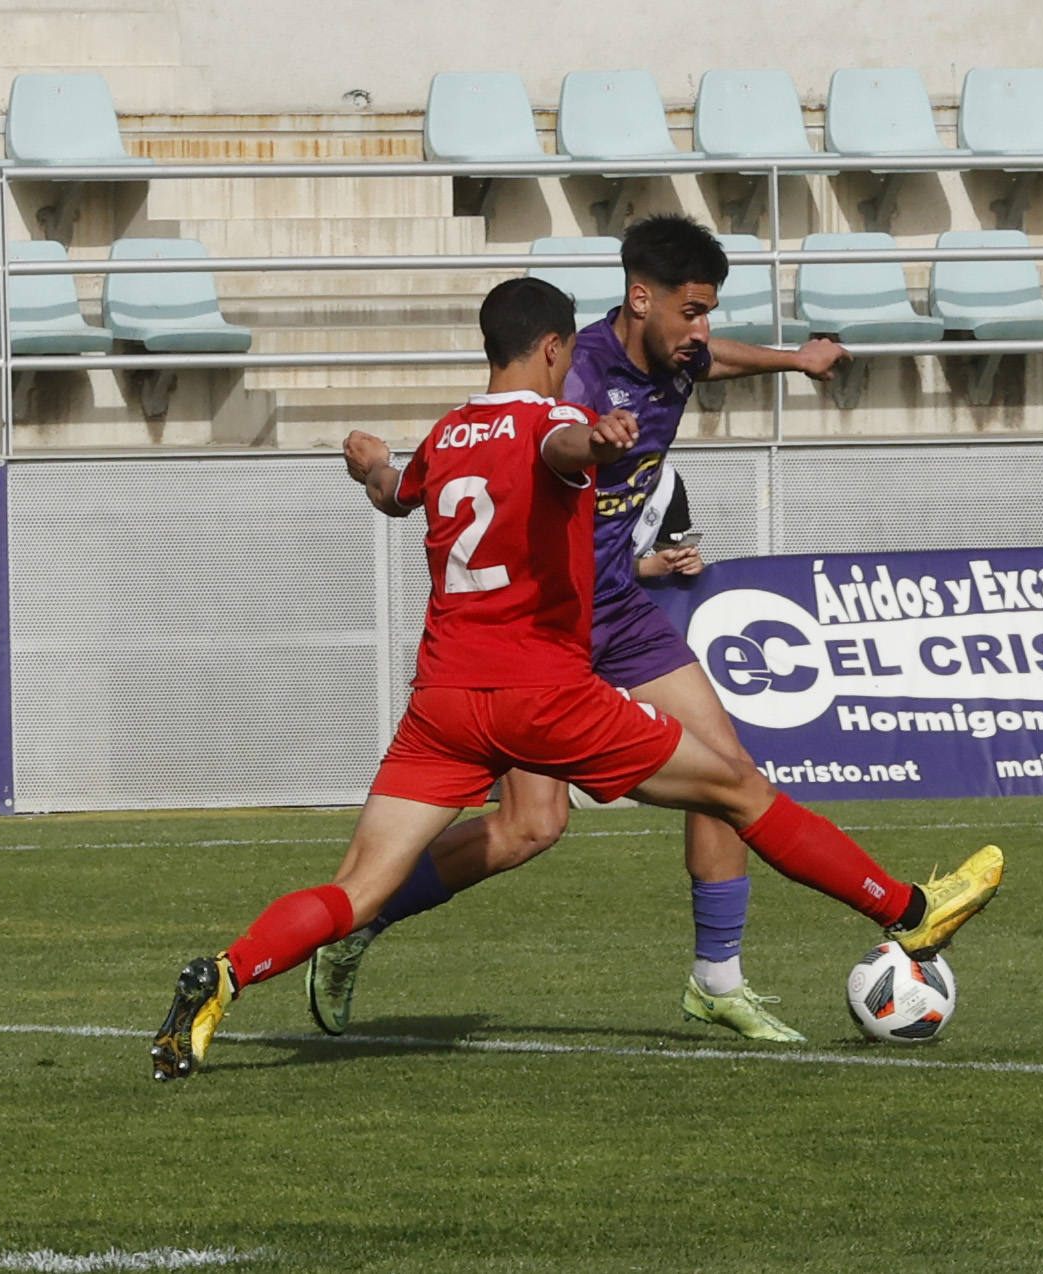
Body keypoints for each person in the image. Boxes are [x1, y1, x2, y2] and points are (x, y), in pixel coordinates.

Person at [150, 277, 1004, 1081]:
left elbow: (390, 492)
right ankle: (904, 909)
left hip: (442, 705)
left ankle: (225, 974)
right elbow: (560, 447)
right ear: (555, 348)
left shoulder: (447, 435)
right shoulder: (553, 423)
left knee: (356, 888)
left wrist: (366, 459)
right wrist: (591, 439)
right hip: (544, 698)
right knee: (737, 790)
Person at [301, 216, 928, 1045]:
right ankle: (362, 920)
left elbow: (717, 359)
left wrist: (794, 362)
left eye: (708, 313)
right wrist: (582, 443)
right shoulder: (580, 374)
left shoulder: (679, 354)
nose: (702, 335)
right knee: (532, 827)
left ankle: (717, 980)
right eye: (692, 313)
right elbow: (538, 445)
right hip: (549, 624)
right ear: (642, 299)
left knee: (731, 774)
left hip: (621, 611)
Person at [632, 460, 704, 581]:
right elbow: (593, 561)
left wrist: (686, 562)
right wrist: (641, 567)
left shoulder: (668, 479)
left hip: (628, 586)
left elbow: (669, 548)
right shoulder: (593, 474)